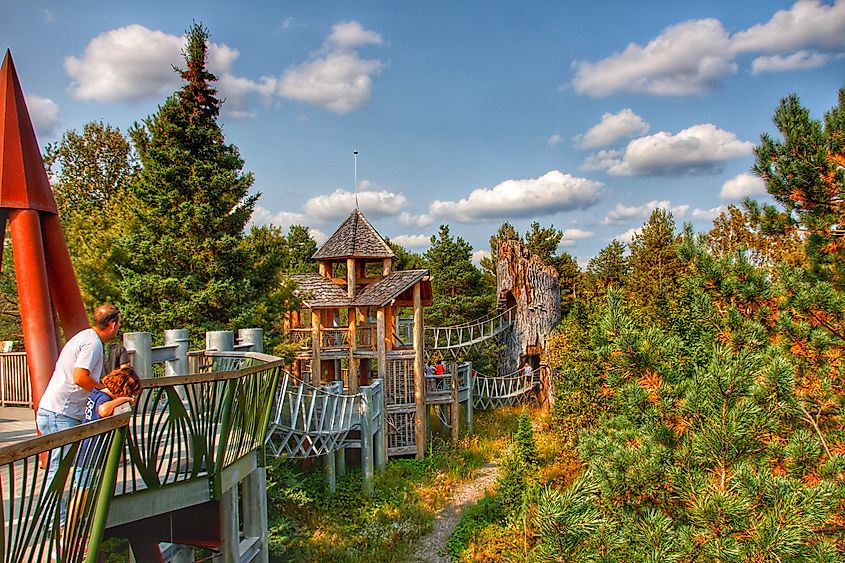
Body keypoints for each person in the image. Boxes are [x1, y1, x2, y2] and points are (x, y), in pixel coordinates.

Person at [35, 305, 121, 524]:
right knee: (58, 469)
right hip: (61, 412)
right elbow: (80, 377)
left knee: (58, 467)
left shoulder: (84, 337)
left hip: (53, 409)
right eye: (119, 323)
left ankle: (59, 518)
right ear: (112, 324)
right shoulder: (92, 344)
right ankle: (57, 521)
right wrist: (104, 390)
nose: (119, 327)